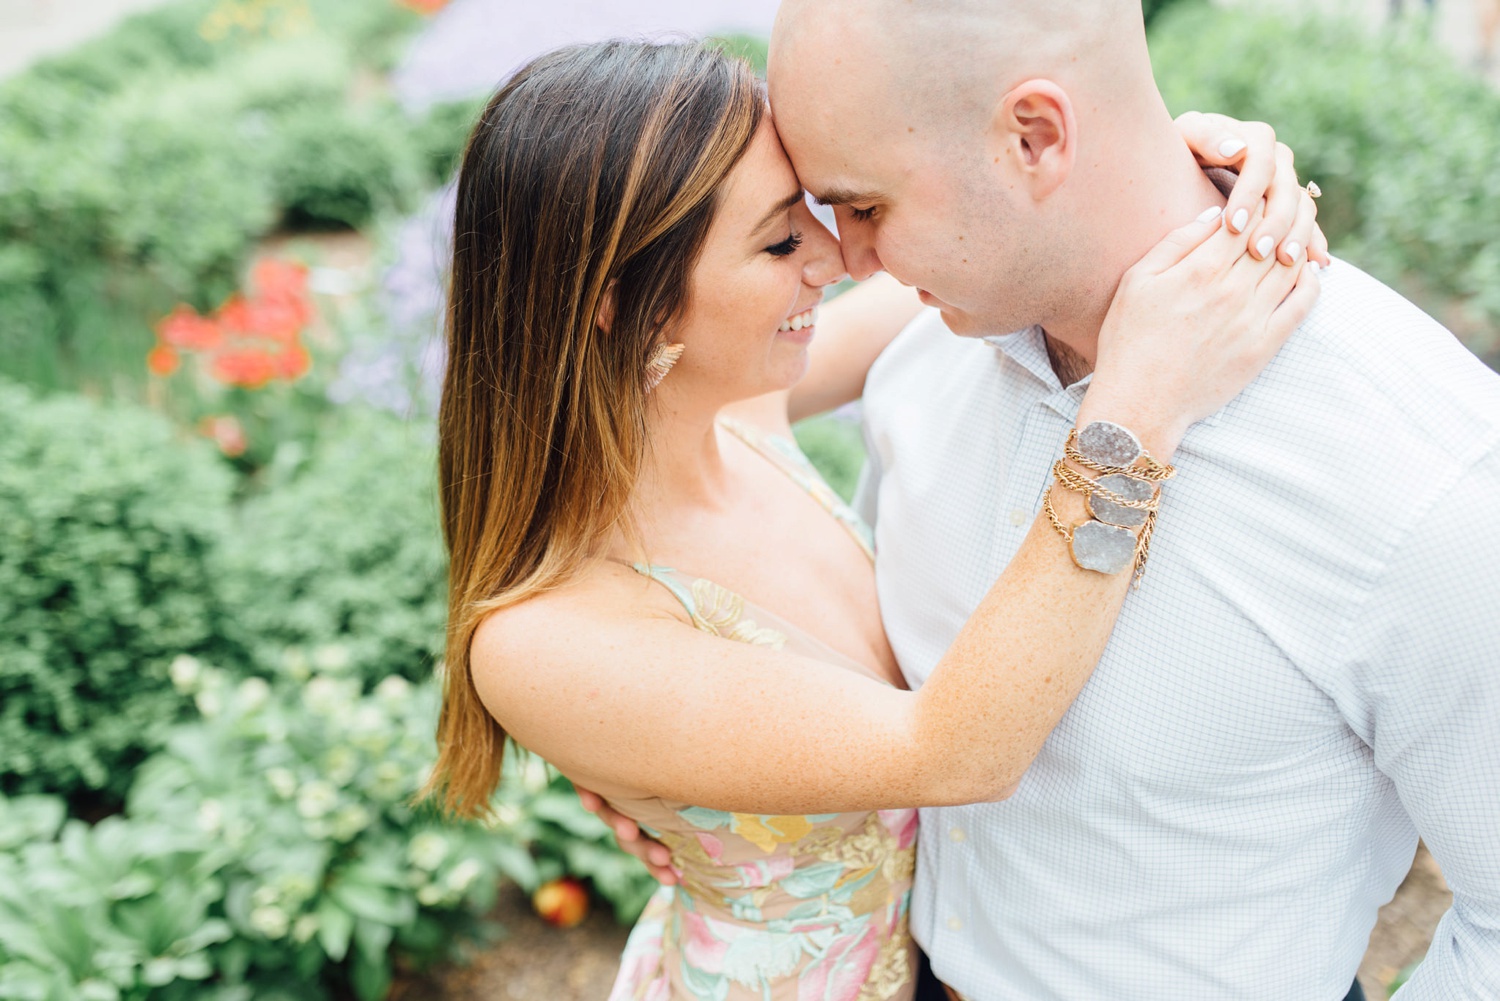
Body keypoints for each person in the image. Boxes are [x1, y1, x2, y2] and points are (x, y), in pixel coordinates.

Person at [423, 39, 1322, 1001]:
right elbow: (956, 750)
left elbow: (978, 248)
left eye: (817, 212)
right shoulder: (550, 641)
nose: (835, 258)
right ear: (620, 305)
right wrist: (1139, 406)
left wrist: (1166, 163)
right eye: (779, 241)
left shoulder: (737, 416)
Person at [736, 1, 1498, 999]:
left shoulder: (1426, 474)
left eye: (867, 206)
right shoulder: (922, 358)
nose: (848, 259)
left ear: (1035, 136)